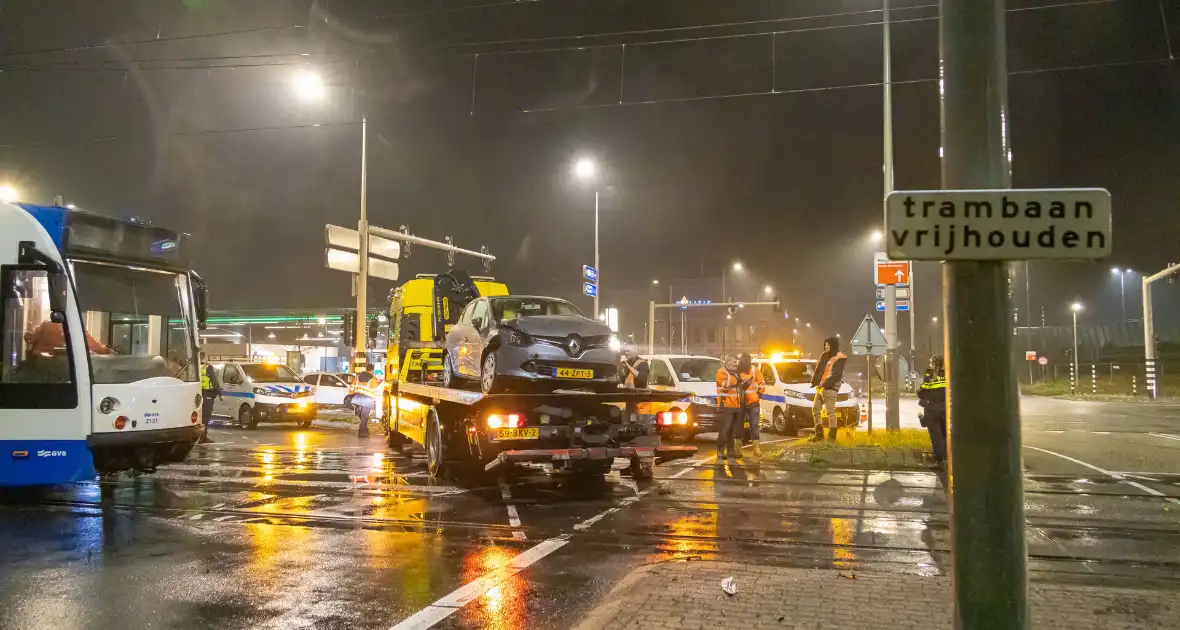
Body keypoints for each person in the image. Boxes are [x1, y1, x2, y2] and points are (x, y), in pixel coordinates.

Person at [810, 336, 847, 442]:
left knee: (830, 412)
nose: (825, 346)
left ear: (833, 346)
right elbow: (819, 369)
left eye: (828, 345)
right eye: (825, 344)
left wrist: (825, 385)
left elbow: (836, 375)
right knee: (816, 410)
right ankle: (819, 435)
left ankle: (831, 439)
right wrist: (815, 382)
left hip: (830, 389)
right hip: (820, 388)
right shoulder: (824, 355)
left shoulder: (841, 357)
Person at [918, 355, 948, 469]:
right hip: (946, 409)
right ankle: (948, 461)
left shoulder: (930, 375)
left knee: (936, 437)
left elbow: (922, 392)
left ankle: (940, 462)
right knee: (945, 436)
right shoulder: (948, 374)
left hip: (932, 410)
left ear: (932, 363)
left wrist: (919, 393)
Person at [736, 353, 766, 457]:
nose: (746, 361)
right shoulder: (737, 371)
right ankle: (737, 449)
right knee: (738, 426)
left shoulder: (754, 370)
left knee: (754, 426)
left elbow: (762, 383)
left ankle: (756, 448)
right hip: (740, 403)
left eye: (747, 359)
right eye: (744, 359)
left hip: (753, 402)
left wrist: (759, 395)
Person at [715, 354, 743, 461]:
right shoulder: (721, 372)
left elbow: (736, 386)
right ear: (727, 363)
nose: (735, 364)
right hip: (725, 405)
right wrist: (736, 379)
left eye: (736, 363)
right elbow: (726, 384)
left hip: (734, 405)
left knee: (732, 430)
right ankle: (720, 450)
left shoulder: (733, 374)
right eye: (733, 362)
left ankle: (731, 450)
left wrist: (740, 381)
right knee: (724, 429)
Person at [351, 364, 380, 438]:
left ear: (366, 368)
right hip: (367, 400)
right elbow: (376, 391)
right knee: (365, 416)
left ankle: (363, 429)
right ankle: (363, 432)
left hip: (357, 399)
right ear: (372, 370)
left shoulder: (358, 377)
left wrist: (351, 395)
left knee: (362, 416)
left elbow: (352, 387)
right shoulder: (373, 379)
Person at [199, 355, 221, 444]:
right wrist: (220, 393)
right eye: (206, 357)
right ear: (203, 358)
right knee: (206, 417)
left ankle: (200, 436)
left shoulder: (196, 367)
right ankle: (203, 437)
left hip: (199, 393)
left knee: (200, 417)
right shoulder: (208, 367)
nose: (207, 359)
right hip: (208, 394)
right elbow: (214, 381)